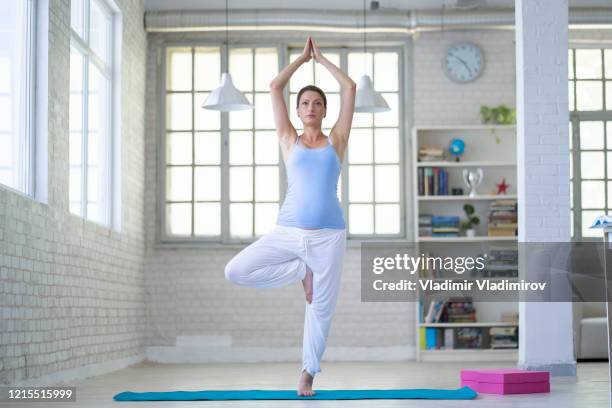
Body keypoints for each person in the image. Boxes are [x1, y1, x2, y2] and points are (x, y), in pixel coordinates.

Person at [224, 37, 356, 397]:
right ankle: (301, 269)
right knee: (235, 270)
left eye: (317, 103)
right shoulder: (288, 139)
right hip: (288, 232)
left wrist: (323, 59)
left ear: (324, 111)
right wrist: (301, 59)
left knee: (320, 309)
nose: (311, 107)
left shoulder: (337, 141)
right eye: (305, 103)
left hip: (329, 236)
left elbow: (349, 87)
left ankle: (307, 373)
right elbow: (274, 86)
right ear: (297, 111)